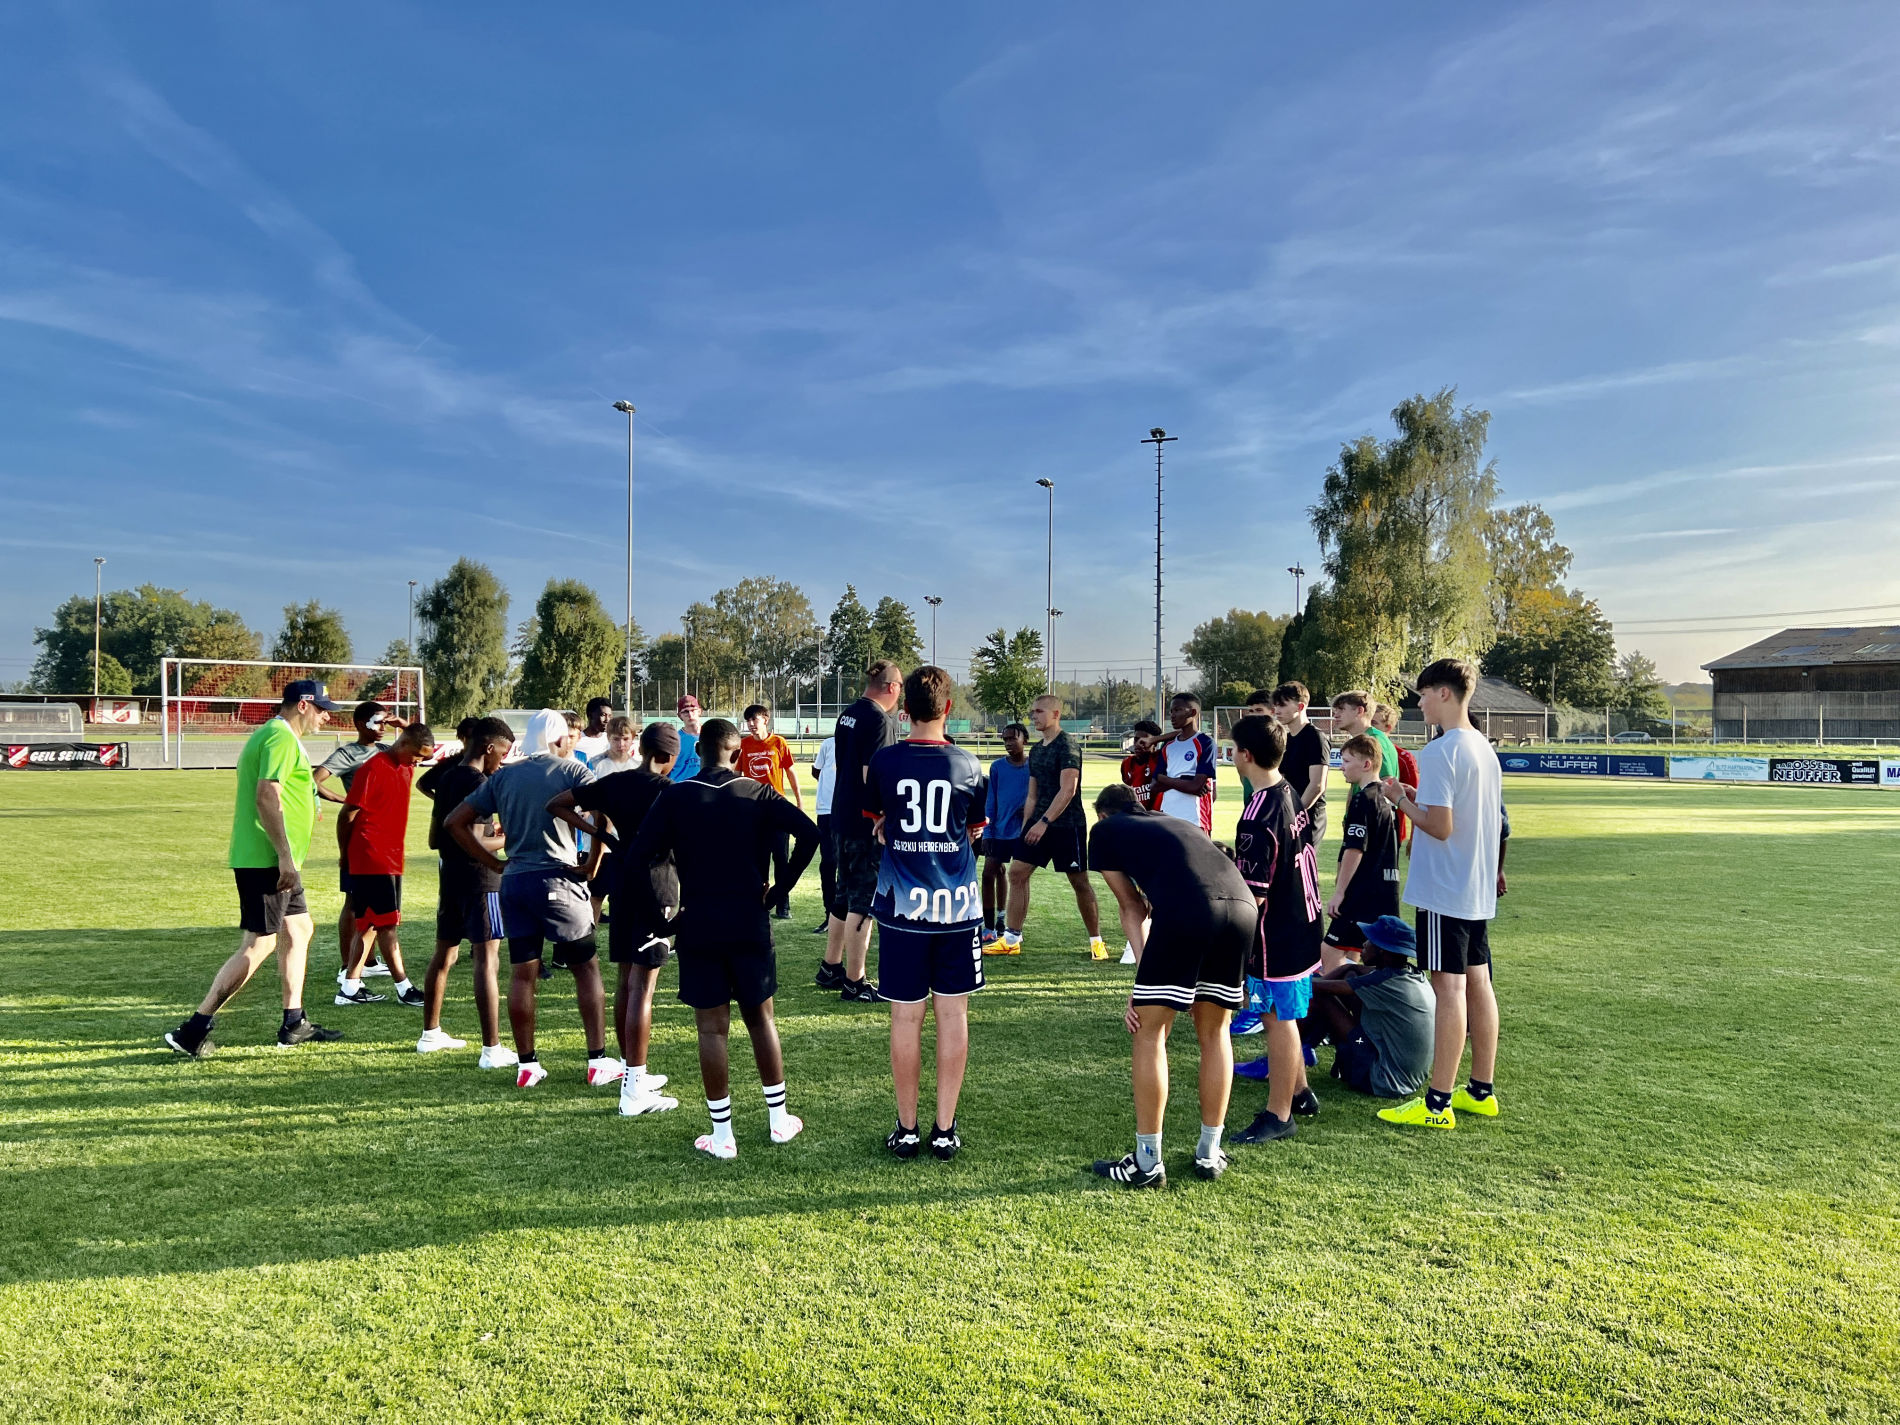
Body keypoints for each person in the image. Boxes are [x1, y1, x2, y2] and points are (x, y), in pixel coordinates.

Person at [624, 718, 820, 1159]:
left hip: (699, 920)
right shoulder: (758, 792)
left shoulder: (675, 795)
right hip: (750, 917)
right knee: (761, 1019)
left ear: (699, 753)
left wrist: (664, 915)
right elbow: (810, 835)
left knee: (712, 1029)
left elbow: (639, 857)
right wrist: (780, 888)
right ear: (735, 752)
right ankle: (778, 1121)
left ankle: (722, 1135)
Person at [1086, 783, 1255, 1187]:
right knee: (1216, 1033)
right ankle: (1209, 1153)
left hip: (1189, 911)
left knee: (1149, 1033)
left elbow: (1133, 906)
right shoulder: (1178, 823)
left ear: (1104, 814)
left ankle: (1147, 1164)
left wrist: (1143, 981)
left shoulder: (1106, 830)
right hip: (1242, 909)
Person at [164, 681, 344, 1056]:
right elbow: (267, 794)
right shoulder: (279, 737)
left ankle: (294, 1022)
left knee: (300, 929)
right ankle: (193, 1029)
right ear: (303, 705)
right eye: (323, 708)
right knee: (259, 943)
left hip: (275, 859)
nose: (327, 715)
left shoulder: (277, 736)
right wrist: (283, 856)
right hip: (267, 860)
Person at [445, 709, 613, 1090]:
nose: (572, 741)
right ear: (558, 739)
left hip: (516, 883)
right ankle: (598, 1060)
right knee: (586, 968)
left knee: (523, 972)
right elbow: (603, 809)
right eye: (568, 736)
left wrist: (494, 862)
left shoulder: (503, 775)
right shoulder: (571, 771)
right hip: (559, 879)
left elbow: (454, 821)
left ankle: (527, 1064)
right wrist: (593, 862)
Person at [862, 667, 987, 1161]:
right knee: (953, 1014)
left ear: (906, 709)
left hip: (900, 910)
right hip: (956, 907)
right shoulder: (968, 764)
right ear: (949, 709)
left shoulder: (886, 761)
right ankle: (945, 1128)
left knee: (905, 1018)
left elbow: (878, 824)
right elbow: (975, 830)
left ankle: (908, 1128)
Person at [1376, 657, 1504, 1130]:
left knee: (1448, 988)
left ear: (1444, 693)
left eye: (1424, 694)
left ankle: (1436, 1104)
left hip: (1443, 889)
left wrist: (1400, 800)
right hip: (1471, 886)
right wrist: (1415, 795)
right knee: (1478, 983)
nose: (1420, 702)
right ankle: (1480, 1091)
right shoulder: (1482, 748)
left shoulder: (1441, 750)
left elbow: (1440, 826)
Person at [549, 722, 684, 1117]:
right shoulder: (669, 792)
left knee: (626, 977)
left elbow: (556, 803)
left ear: (641, 748)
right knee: (643, 984)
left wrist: (602, 836)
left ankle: (632, 1072)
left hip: (622, 879)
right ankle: (633, 1093)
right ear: (671, 758)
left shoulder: (617, 782)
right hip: (657, 886)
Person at [1227, 714, 1325, 1146]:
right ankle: (1299, 1091)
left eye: (1232, 749)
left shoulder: (1258, 810)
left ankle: (1278, 1114)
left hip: (1277, 932)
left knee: (1277, 1018)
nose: (1230, 755)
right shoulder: (1290, 791)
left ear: (1245, 755)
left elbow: (1255, 896)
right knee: (1284, 1013)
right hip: (1304, 921)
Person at [415, 717, 517, 1064]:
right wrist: (508, 840)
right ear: (489, 747)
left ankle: (430, 1033)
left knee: (445, 954)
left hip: (451, 877)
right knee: (487, 959)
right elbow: (475, 837)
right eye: (502, 753)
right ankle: (492, 1049)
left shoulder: (447, 776)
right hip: (479, 879)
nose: (502, 761)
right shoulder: (476, 780)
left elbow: (437, 835)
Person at [333, 721, 437, 1009]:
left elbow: (423, 742)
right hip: (372, 857)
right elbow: (347, 815)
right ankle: (404, 988)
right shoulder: (372, 768)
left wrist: (409, 726)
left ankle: (350, 986)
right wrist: (345, 853)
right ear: (403, 745)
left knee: (369, 923)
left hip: (389, 858)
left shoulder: (406, 766)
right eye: (417, 756)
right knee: (387, 923)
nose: (419, 762)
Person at [821, 661, 904, 1000]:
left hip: (842, 815)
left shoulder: (849, 713)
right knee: (864, 899)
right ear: (893, 687)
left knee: (844, 892)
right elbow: (875, 776)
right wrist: (882, 817)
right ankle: (855, 981)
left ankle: (831, 966)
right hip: (865, 823)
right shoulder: (878, 720)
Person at [1003, 695, 1106, 961]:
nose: (1033, 716)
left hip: (1066, 825)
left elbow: (1068, 789)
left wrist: (1044, 822)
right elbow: (1032, 795)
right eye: (1032, 712)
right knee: (1017, 874)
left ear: (1056, 714)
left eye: (1039, 712)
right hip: (1038, 823)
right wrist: (1027, 826)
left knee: (1079, 882)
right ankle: (1011, 938)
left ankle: (1097, 941)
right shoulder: (1037, 750)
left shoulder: (1067, 746)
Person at [314, 700, 405, 989]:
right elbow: (313, 780)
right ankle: (346, 966)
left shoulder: (384, 752)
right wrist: (344, 800)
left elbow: (417, 746)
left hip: (381, 840)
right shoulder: (349, 753)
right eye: (376, 722)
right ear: (359, 724)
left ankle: (369, 960)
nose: (381, 727)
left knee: (374, 905)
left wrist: (402, 725)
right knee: (353, 902)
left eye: (384, 722)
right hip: (357, 836)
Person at [1304, 914, 1434, 1101]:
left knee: (1323, 999)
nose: (1363, 944)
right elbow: (1353, 971)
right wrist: (1335, 974)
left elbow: (1315, 988)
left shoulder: (1382, 982)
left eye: (1370, 941)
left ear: (1383, 951)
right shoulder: (1408, 974)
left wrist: (1282, 983)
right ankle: (1305, 1048)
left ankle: (1294, 1052)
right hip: (1407, 1078)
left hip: (1384, 1079)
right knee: (1349, 975)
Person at [1320, 733, 1401, 972]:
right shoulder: (1385, 800)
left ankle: (1338, 1006)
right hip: (1384, 891)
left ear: (1366, 764)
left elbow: (1355, 849)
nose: (1341, 767)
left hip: (1363, 892)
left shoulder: (1363, 800)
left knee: (1329, 951)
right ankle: (1360, 1001)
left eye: (1346, 761)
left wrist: (1339, 892)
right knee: (1362, 952)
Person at [739, 704, 803, 921]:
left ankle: (782, 905)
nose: (750, 725)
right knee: (758, 860)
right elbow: (737, 774)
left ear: (765, 720)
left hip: (777, 809)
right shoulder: (744, 744)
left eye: (754, 720)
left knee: (781, 858)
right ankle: (759, 903)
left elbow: (791, 772)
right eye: (748, 721)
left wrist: (799, 801)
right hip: (753, 810)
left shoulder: (778, 743)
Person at [980, 722, 1030, 950]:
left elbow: (1041, 795)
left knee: (1018, 877)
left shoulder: (1034, 767)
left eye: (1013, 738)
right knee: (989, 872)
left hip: (1023, 833)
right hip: (999, 830)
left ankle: (1008, 923)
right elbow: (991, 800)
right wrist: (987, 831)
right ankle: (989, 928)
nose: (1009, 743)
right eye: (1005, 739)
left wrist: (1031, 812)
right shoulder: (998, 767)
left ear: (1025, 740)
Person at [1269, 682, 1330, 846]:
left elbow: (1317, 785)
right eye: (1275, 705)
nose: (1277, 710)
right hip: (1289, 813)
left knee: (1303, 867)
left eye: (1282, 705)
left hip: (1308, 815)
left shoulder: (1315, 737)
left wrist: (1295, 813)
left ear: (1300, 706)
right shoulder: (1286, 739)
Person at [1151, 695, 1216, 833]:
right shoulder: (1168, 745)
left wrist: (1165, 779)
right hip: (1167, 818)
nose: (1172, 715)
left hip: (1195, 819)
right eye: (1171, 711)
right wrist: (1185, 781)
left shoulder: (1205, 743)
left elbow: (1196, 786)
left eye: (1177, 710)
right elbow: (1155, 786)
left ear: (1192, 713)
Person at [1373, 702, 1418, 843]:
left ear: (1388, 728)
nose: (1369, 728)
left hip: (1391, 828)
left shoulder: (1404, 757)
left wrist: (1414, 838)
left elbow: (1415, 799)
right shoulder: (1361, 755)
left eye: (1374, 723)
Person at [1330, 691, 1398, 779]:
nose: (1336, 715)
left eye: (1342, 709)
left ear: (1359, 711)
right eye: (1336, 711)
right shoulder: (1365, 739)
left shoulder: (1374, 739)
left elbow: (1386, 781)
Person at [808, 733, 838, 934]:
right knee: (828, 863)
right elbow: (816, 771)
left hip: (851, 813)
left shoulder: (863, 741)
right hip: (827, 811)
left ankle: (854, 916)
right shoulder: (829, 744)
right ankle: (830, 915)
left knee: (852, 865)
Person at [1119, 719, 1164, 810]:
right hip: (1137, 817)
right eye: (1136, 739)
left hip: (1158, 817)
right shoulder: (1127, 763)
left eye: (1144, 740)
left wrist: (1157, 739)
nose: (1138, 744)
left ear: (1154, 742)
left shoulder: (1161, 759)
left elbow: (1182, 734)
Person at [670, 695, 705, 781]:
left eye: (693, 710)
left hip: (704, 787)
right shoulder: (674, 739)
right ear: (679, 715)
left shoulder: (710, 736)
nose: (690, 714)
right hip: (679, 788)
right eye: (685, 712)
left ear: (699, 711)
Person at [573, 697, 614, 765]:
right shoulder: (576, 741)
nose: (607, 720)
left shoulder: (611, 740)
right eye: (603, 715)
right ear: (590, 715)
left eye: (609, 716)